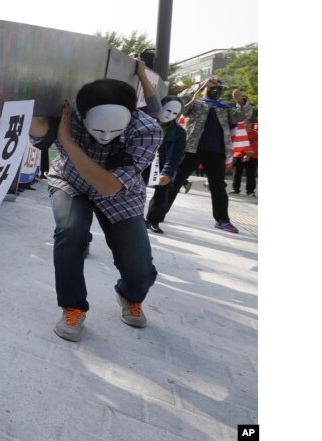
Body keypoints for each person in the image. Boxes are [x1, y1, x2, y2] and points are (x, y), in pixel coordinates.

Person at [29, 79, 161, 342]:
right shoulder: (72, 116)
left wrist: (67, 141)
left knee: (140, 269)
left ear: (132, 115)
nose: (104, 136)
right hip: (71, 181)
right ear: (83, 114)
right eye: (97, 128)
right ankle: (73, 307)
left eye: (114, 129)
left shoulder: (148, 130)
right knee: (70, 233)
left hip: (119, 192)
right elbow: (39, 128)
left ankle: (129, 295)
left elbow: (108, 186)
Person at [164, 78, 253, 233]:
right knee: (174, 181)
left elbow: (242, 116)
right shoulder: (195, 104)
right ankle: (157, 214)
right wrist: (198, 86)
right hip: (191, 149)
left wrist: (241, 100)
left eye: (219, 88)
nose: (215, 90)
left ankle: (222, 220)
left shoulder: (225, 109)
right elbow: (180, 102)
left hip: (216, 152)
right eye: (212, 87)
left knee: (218, 186)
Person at [144, 97, 187, 233]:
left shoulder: (179, 132)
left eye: (174, 113)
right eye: (167, 109)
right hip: (143, 159)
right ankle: (133, 217)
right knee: (136, 188)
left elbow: (176, 155)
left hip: (162, 162)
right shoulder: (145, 121)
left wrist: (167, 172)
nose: (169, 115)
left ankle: (154, 220)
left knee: (163, 190)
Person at [231, 122, 258, 196]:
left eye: (248, 123)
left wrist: (249, 155)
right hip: (239, 155)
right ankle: (235, 188)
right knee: (236, 173)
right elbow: (235, 143)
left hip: (252, 156)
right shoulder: (238, 132)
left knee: (251, 174)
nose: (246, 124)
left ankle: (250, 191)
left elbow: (256, 145)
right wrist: (245, 152)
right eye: (244, 123)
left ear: (250, 124)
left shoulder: (256, 133)